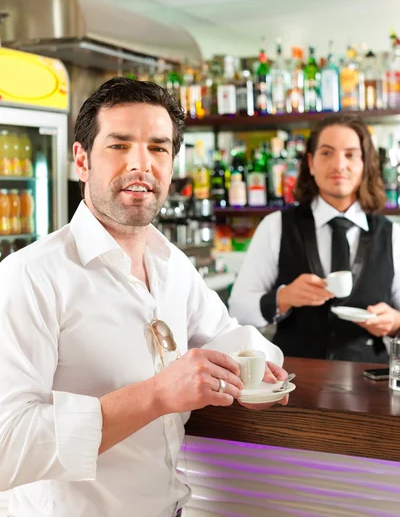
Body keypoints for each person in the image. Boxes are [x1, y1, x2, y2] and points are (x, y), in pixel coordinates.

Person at [0, 77, 288, 517]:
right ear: (82, 160)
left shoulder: (172, 265)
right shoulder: (30, 276)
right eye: (119, 145)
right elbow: (7, 445)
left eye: (158, 147)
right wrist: (156, 395)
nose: (142, 164)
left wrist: (261, 373)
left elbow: (229, 336)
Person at [229, 114, 400, 363]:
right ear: (311, 163)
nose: (339, 165)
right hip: (294, 380)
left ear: (365, 164)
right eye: (327, 153)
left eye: (351, 155)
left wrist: (394, 322)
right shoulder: (276, 226)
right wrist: (283, 297)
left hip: (369, 382)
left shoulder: (392, 234)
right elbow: (238, 310)